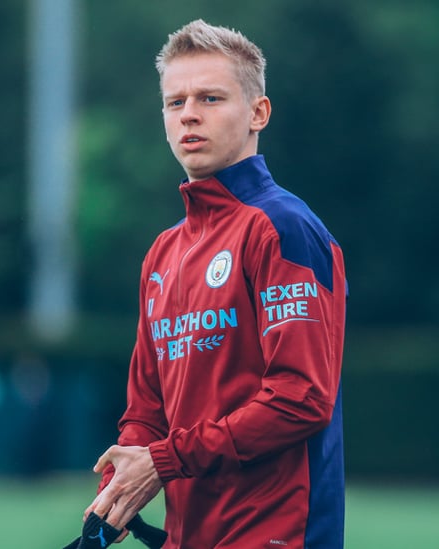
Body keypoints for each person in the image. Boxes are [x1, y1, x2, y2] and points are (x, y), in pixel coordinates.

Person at [85, 19, 347, 548]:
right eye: (173, 102)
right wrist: (122, 483)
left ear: (258, 113)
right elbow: (146, 408)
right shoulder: (163, 252)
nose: (189, 115)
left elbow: (301, 397)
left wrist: (162, 461)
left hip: (279, 535)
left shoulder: (282, 226)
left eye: (209, 97)